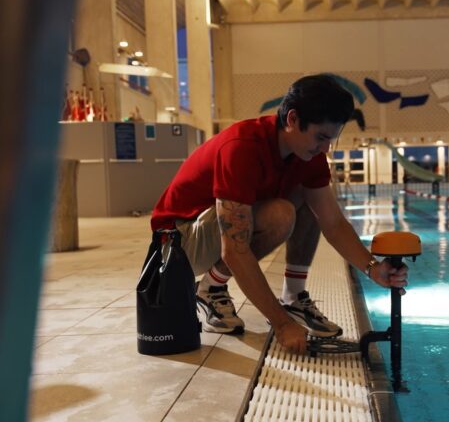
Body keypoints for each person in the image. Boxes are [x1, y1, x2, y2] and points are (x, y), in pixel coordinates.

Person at [150, 74, 409, 354]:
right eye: (321, 137)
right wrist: (282, 324)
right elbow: (233, 250)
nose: (325, 149)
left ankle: (293, 296)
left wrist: (373, 269)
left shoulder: (308, 156)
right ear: (293, 120)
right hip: (177, 243)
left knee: (311, 197)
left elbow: (332, 223)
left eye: (330, 140)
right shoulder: (242, 147)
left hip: (209, 231)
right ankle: (211, 289)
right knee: (281, 213)